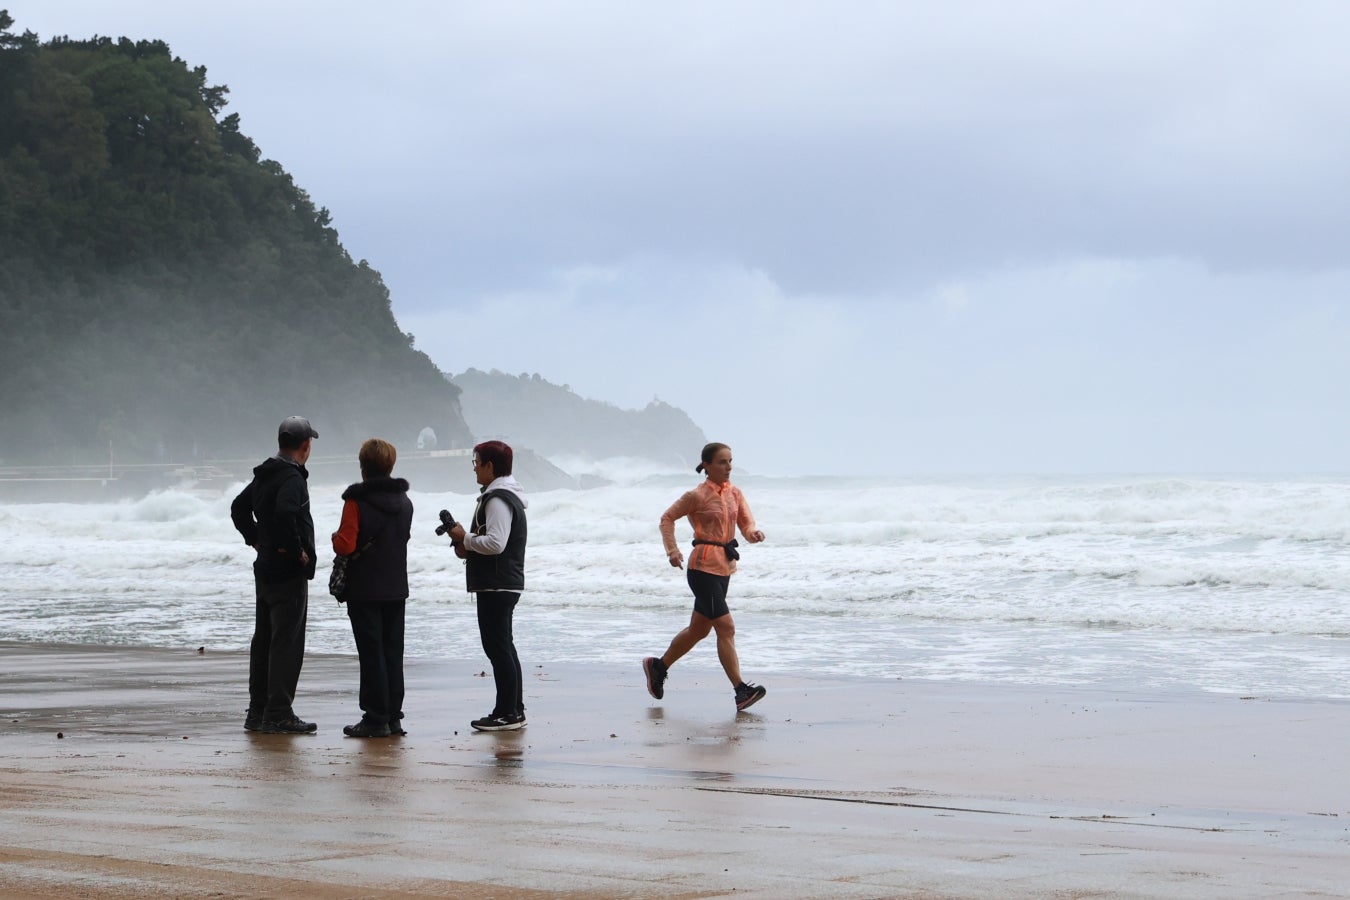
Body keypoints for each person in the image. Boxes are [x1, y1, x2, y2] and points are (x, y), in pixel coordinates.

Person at [644, 442, 768, 711]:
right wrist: (672, 550)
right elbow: (667, 518)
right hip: (701, 569)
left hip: (724, 568)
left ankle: (658, 666)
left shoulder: (735, 493)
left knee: (699, 630)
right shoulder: (696, 495)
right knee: (726, 628)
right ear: (707, 466)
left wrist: (753, 534)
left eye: (730, 461)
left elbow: (746, 524)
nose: (729, 467)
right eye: (722, 462)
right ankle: (740, 690)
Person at [230, 416, 320, 734]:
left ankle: (258, 712)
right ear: (306, 446)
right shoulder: (292, 478)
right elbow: (285, 513)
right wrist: (296, 552)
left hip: (265, 568)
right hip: (286, 572)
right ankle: (279, 712)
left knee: (265, 639)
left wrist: (257, 539)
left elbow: (238, 508)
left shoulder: (266, 474)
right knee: (286, 641)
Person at [331, 438, 413, 738]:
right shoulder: (405, 503)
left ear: (363, 466)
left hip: (364, 587)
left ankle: (375, 716)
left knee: (371, 652)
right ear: (390, 466)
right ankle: (393, 716)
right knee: (393, 651)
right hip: (396, 586)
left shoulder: (356, 502)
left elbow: (346, 543)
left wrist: (333, 538)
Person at [446, 441, 529, 732]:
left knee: (498, 648)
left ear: (490, 466)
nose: (474, 468)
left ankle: (507, 712)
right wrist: (466, 544)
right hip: (504, 581)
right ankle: (513, 709)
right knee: (503, 646)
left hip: (497, 583)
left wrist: (465, 538)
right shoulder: (507, 495)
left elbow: (495, 543)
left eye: (477, 462)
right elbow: (494, 542)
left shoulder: (496, 498)